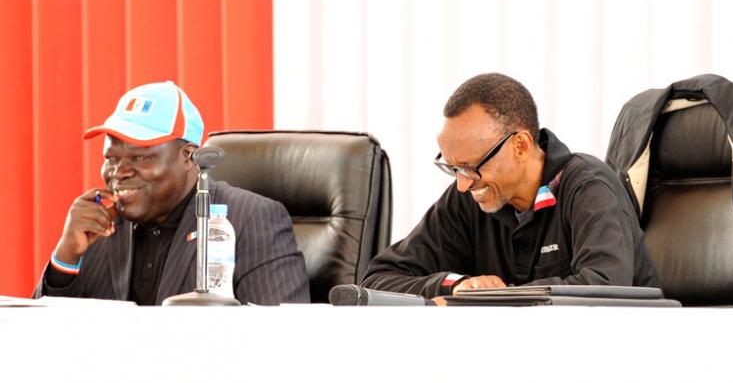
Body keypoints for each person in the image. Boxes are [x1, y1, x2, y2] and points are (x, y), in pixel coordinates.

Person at [361, 73, 658, 298]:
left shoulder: (589, 188)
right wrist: (455, 285)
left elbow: (606, 287)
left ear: (520, 145)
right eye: (453, 168)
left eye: (472, 166)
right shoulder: (469, 197)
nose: (463, 184)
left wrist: (496, 297)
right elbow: (378, 279)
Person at [34, 81, 310, 305]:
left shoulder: (249, 220)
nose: (119, 172)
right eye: (111, 158)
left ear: (188, 156)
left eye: (140, 158)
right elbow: (42, 340)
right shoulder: (100, 227)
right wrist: (65, 258)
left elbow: (281, 339)